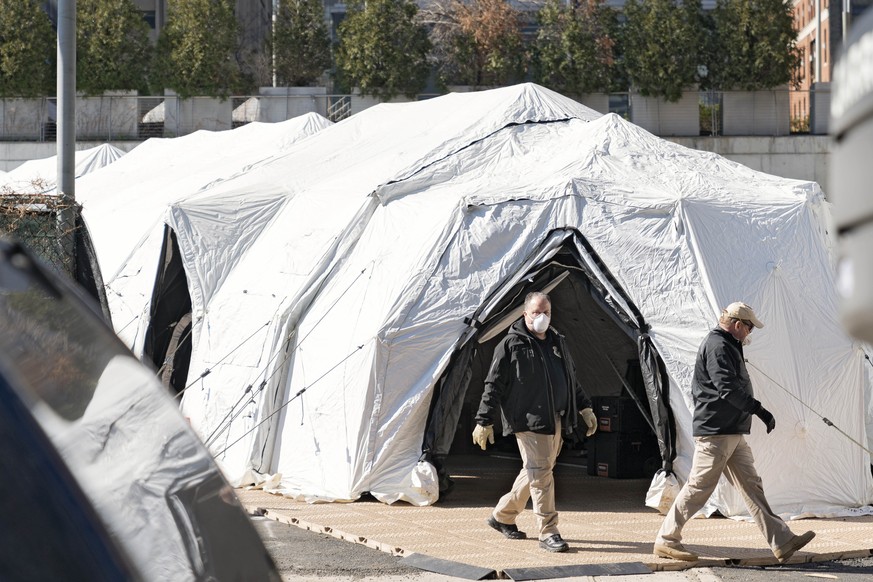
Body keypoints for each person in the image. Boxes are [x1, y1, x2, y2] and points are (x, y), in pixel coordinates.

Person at [653, 302, 815, 563]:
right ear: (738, 325)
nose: (750, 333)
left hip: (731, 431)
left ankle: (782, 541)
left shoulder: (729, 345)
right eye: (749, 328)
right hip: (716, 432)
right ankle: (666, 539)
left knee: (752, 485)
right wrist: (759, 410)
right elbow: (726, 388)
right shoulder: (718, 345)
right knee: (698, 488)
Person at [472, 291, 597, 553]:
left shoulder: (557, 342)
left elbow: (571, 379)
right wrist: (484, 420)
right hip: (529, 422)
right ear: (524, 314)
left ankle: (503, 516)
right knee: (541, 476)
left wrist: (585, 407)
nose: (542, 317)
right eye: (536, 312)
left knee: (537, 471)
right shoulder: (510, 345)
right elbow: (493, 384)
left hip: (556, 420)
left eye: (546, 312)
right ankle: (548, 531)